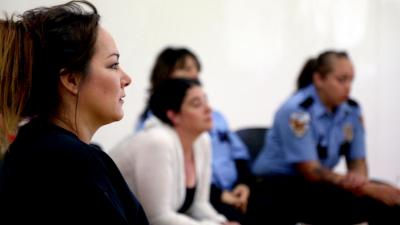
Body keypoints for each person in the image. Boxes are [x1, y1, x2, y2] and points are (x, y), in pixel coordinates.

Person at [0, 1, 149, 224]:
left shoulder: (31, 146)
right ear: (72, 80)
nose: (126, 79)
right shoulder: (73, 163)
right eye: (113, 65)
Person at [251, 50, 400, 225]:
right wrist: (365, 188)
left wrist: (360, 181)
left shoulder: (351, 109)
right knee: (352, 201)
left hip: (317, 185)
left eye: (351, 80)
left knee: (390, 197)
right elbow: (311, 171)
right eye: (341, 79)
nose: (348, 87)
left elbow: (358, 160)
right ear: (319, 79)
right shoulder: (297, 111)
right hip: (277, 186)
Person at [136, 47, 252, 224]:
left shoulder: (213, 118)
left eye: (196, 69)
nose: (194, 74)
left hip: (226, 193)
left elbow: (239, 155)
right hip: (198, 197)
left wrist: (243, 185)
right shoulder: (153, 130)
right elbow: (162, 206)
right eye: (186, 68)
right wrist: (221, 197)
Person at [111, 78, 240, 225]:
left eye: (206, 101)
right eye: (197, 104)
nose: (209, 109)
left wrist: (221, 222)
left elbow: (198, 205)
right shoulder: (157, 142)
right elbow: (157, 218)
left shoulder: (202, 141)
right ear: (173, 115)